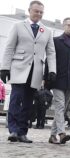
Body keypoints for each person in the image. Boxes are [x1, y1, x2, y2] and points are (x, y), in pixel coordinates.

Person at [0, 0, 56, 143]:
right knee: (15, 99)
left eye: (41, 12)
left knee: (27, 103)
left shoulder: (47, 31)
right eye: (36, 11)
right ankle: (13, 130)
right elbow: (9, 47)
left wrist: (52, 70)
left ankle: (22, 132)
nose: (38, 14)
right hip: (19, 68)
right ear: (29, 11)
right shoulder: (18, 26)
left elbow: (51, 52)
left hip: (35, 71)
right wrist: (4, 67)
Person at [49, 17, 70, 144]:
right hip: (57, 80)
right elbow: (50, 59)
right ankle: (62, 133)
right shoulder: (55, 41)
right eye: (69, 25)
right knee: (60, 105)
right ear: (64, 26)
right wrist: (47, 76)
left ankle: (52, 136)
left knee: (62, 109)